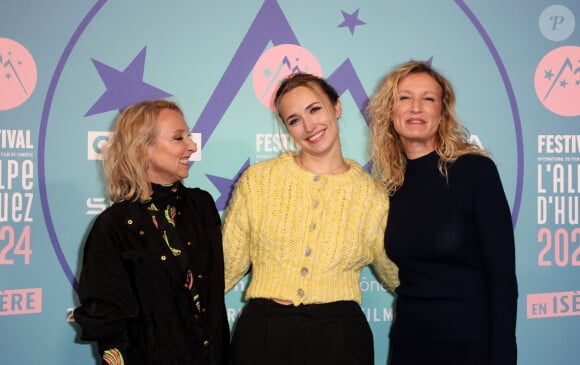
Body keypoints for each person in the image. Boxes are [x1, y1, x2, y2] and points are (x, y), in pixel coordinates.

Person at [222, 72, 399, 365]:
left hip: (339, 337)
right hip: (264, 333)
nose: (308, 126)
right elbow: (227, 264)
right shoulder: (259, 181)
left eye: (314, 109)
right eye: (294, 120)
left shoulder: (372, 195)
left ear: (337, 107)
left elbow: (394, 271)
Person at [366, 60, 518, 365]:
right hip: (409, 345)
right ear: (390, 112)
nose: (416, 108)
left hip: (469, 347)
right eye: (404, 98)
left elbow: (503, 281)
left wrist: (503, 356)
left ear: (442, 112)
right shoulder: (390, 187)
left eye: (428, 99)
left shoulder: (475, 171)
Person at [74, 100, 229, 365]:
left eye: (189, 136)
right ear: (143, 149)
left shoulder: (201, 205)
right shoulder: (114, 226)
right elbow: (108, 323)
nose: (192, 146)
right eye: (178, 138)